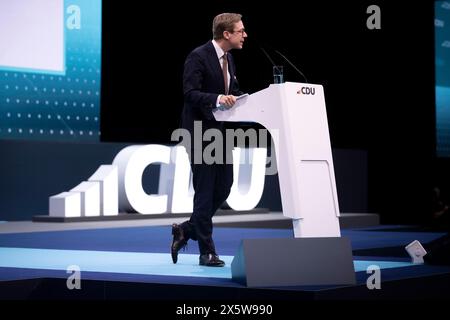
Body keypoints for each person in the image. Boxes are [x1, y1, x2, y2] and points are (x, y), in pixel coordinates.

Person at [171, 13, 247, 267]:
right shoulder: (198, 56)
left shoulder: (230, 60)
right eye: (240, 31)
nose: (244, 35)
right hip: (199, 132)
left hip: (222, 134)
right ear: (226, 34)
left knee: (224, 187)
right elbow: (190, 93)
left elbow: (232, 93)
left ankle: (187, 229)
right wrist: (217, 99)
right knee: (204, 192)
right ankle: (207, 252)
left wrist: (244, 97)